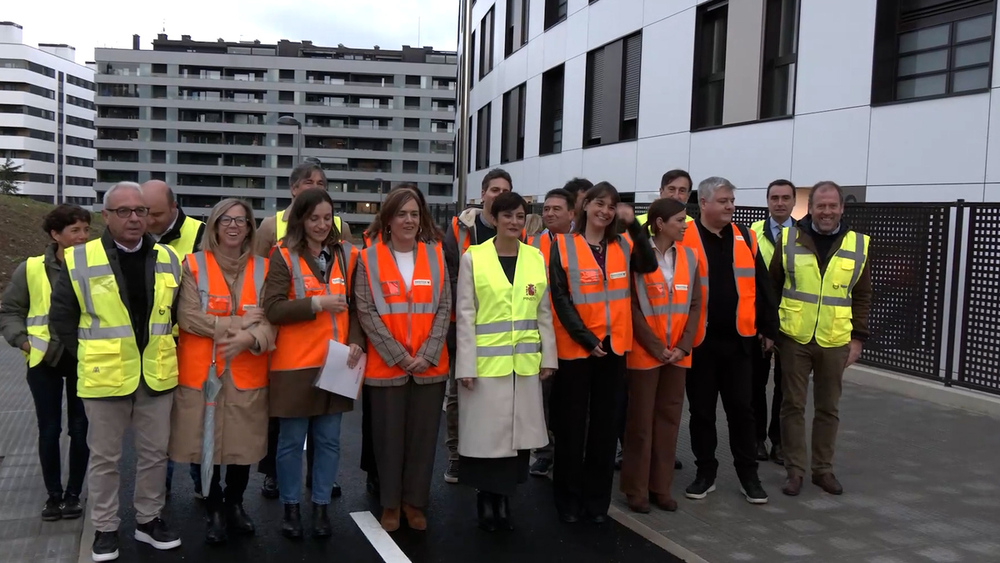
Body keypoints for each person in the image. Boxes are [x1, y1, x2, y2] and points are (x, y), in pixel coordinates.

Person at [48, 182, 183, 561]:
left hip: (155, 374)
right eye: (124, 211)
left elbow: (174, 315)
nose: (134, 218)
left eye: (140, 211)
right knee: (104, 458)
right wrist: (90, 356)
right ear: (105, 216)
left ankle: (148, 520)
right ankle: (105, 529)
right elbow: (62, 319)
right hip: (104, 378)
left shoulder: (168, 258)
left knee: (155, 454)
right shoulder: (80, 258)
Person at [548, 182, 657, 524]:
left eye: (611, 206)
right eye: (599, 203)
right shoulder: (563, 246)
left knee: (605, 428)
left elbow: (650, 264)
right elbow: (560, 296)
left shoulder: (622, 244)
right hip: (577, 350)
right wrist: (583, 337)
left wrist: (635, 224)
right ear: (585, 206)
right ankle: (567, 500)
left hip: (614, 348)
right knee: (571, 428)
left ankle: (597, 502)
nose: (605, 211)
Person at [170, 198, 276, 544]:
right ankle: (213, 506)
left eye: (241, 221)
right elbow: (188, 318)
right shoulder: (193, 265)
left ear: (249, 227)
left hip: (246, 373)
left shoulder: (264, 268)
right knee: (203, 447)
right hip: (201, 374)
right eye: (226, 220)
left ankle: (234, 504)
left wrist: (250, 337)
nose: (233, 226)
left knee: (241, 448)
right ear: (214, 225)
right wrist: (240, 324)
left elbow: (270, 321)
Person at [261, 188, 363, 539]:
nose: (321, 225)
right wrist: (316, 304)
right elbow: (272, 308)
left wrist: (357, 342)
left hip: (336, 362)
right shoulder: (282, 256)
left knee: (330, 440)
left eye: (326, 218)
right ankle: (291, 507)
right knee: (291, 441)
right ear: (301, 219)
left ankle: (320, 506)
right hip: (293, 365)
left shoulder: (348, 255)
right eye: (313, 218)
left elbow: (359, 309)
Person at [456, 191, 557, 532]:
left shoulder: (534, 258)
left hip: (524, 364)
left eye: (520, 216)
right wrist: (465, 366)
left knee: (515, 440)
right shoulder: (474, 258)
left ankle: (505, 499)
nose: (514, 222)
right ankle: (487, 498)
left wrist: (549, 357)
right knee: (488, 440)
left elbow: (544, 312)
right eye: (507, 216)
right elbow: (466, 315)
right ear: (494, 218)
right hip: (486, 367)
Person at [354, 187, 451, 532]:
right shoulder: (369, 258)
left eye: (414, 214)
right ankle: (391, 504)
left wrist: (426, 353)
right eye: (401, 214)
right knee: (388, 439)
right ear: (388, 219)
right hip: (387, 366)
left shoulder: (436, 255)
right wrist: (398, 354)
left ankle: (415, 503)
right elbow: (365, 311)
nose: (409, 221)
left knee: (423, 440)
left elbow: (443, 307)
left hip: (430, 365)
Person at [769, 181, 872, 497]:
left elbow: (863, 296)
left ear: (842, 208)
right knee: (792, 406)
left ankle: (823, 471)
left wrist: (857, 340)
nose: (826, 212)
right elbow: (772, 288)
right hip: (793, 338)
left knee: (828, 409)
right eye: (820, 206)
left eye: (832, 206)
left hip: (834, 340)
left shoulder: (859, 245)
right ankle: (795, 471)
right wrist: (771, 333)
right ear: (810, 208)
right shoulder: (789, 239)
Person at [680, 177, 777, 505]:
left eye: (731, 200)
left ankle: (748, 475)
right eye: (723, 201)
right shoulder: (684, 237)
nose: (731, 206)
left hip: (740, 343)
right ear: (703, 203)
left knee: (742, 411)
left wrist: (768, 328)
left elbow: (762, 286)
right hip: (700, 342)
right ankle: (705, 472)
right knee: (702, 412)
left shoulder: (746, 237)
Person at [1, 204, 92, 522]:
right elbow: (9, 310)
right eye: (75, 230)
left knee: (81, 430)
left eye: (86, 229)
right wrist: (22, 341)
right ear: (56, 235)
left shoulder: (97, 265)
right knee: (49, 429)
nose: (83, 236)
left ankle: (74, 495)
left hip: (86, 358)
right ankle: (53, 496)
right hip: (44, 358)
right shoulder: (31, 268)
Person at [621, 198, 703, 514]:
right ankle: (636, 490)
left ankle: (661, 488)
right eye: (680, 220)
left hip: (678, 355)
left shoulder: (691, 257)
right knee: (640, 424)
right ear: (659, 223)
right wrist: (656, 346)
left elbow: (695, 303)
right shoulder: (636, 255)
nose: (685, 225)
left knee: (668, 422)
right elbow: (631, 305)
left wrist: (684, 345)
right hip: (645, 353)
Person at [441, 168, 515, 484]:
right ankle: (457, 456)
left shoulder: (516, 230)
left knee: (498, 393)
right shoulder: (459, 229)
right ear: (482, 194)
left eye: (504, 191)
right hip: (464, 324)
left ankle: (493, 456)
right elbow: (450, 274)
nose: (498, 196)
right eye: (494, 190)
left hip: (503, 327)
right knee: (459, 393)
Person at [141, 179, 206, 497]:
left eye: (155, 214)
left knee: (195, 418)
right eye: (143, 212)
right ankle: (160, 490)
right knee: (158, 426)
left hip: (192, 343)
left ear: (174, 209)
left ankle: (202, 485)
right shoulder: (133, 234)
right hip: (155, 347)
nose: (147, 221)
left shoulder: (200, 234)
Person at [525, 187, 577, 478]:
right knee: (541, 399)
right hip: (541, 335)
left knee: (570, 401)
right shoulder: (532, 245)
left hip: (574, 337)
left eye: (557, 209)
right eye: (546, 208)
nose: (549, 213)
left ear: (572, 213)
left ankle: (570, 453)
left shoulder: (581, 244)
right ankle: (544, 453)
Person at [749, 180, 796, 465]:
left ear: (793, 202)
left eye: (785, 198)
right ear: (767, 200)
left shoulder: (803, 234)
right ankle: (757, 440)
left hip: (792, 323)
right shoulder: (752, 232)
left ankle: (779, 441)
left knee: (785, 387)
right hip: (758, 322)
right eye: (774, 198)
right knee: (755, 384)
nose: (780, 203)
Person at [255, 161, 353, 257]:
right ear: (294, 189)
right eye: (309, 182)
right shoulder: (270, 226)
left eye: (320, 183)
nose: (315, 188)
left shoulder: (341, 227)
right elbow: (258, 267)